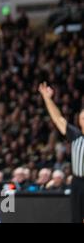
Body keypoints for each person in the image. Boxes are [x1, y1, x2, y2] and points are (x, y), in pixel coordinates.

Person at [38, 82, 84, 223]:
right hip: (78, 182)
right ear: (80, 121)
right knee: (76, 218)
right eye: (83, 118)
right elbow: (58, 118)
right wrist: (47, 98)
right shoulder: (76, 135)